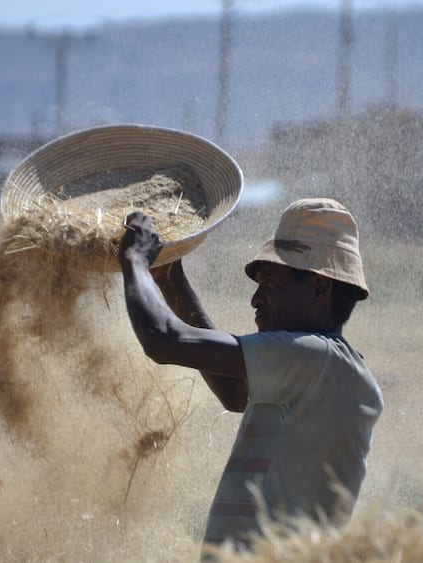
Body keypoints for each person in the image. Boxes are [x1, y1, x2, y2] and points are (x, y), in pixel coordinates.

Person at [118, 197, 383, 551]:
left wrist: (134, 260)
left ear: (319, 289)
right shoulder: (323, 369)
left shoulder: (315, 356)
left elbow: (163, 340)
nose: (255, 299)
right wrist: (169, 276)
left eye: (271, 283)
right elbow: (233, 393)